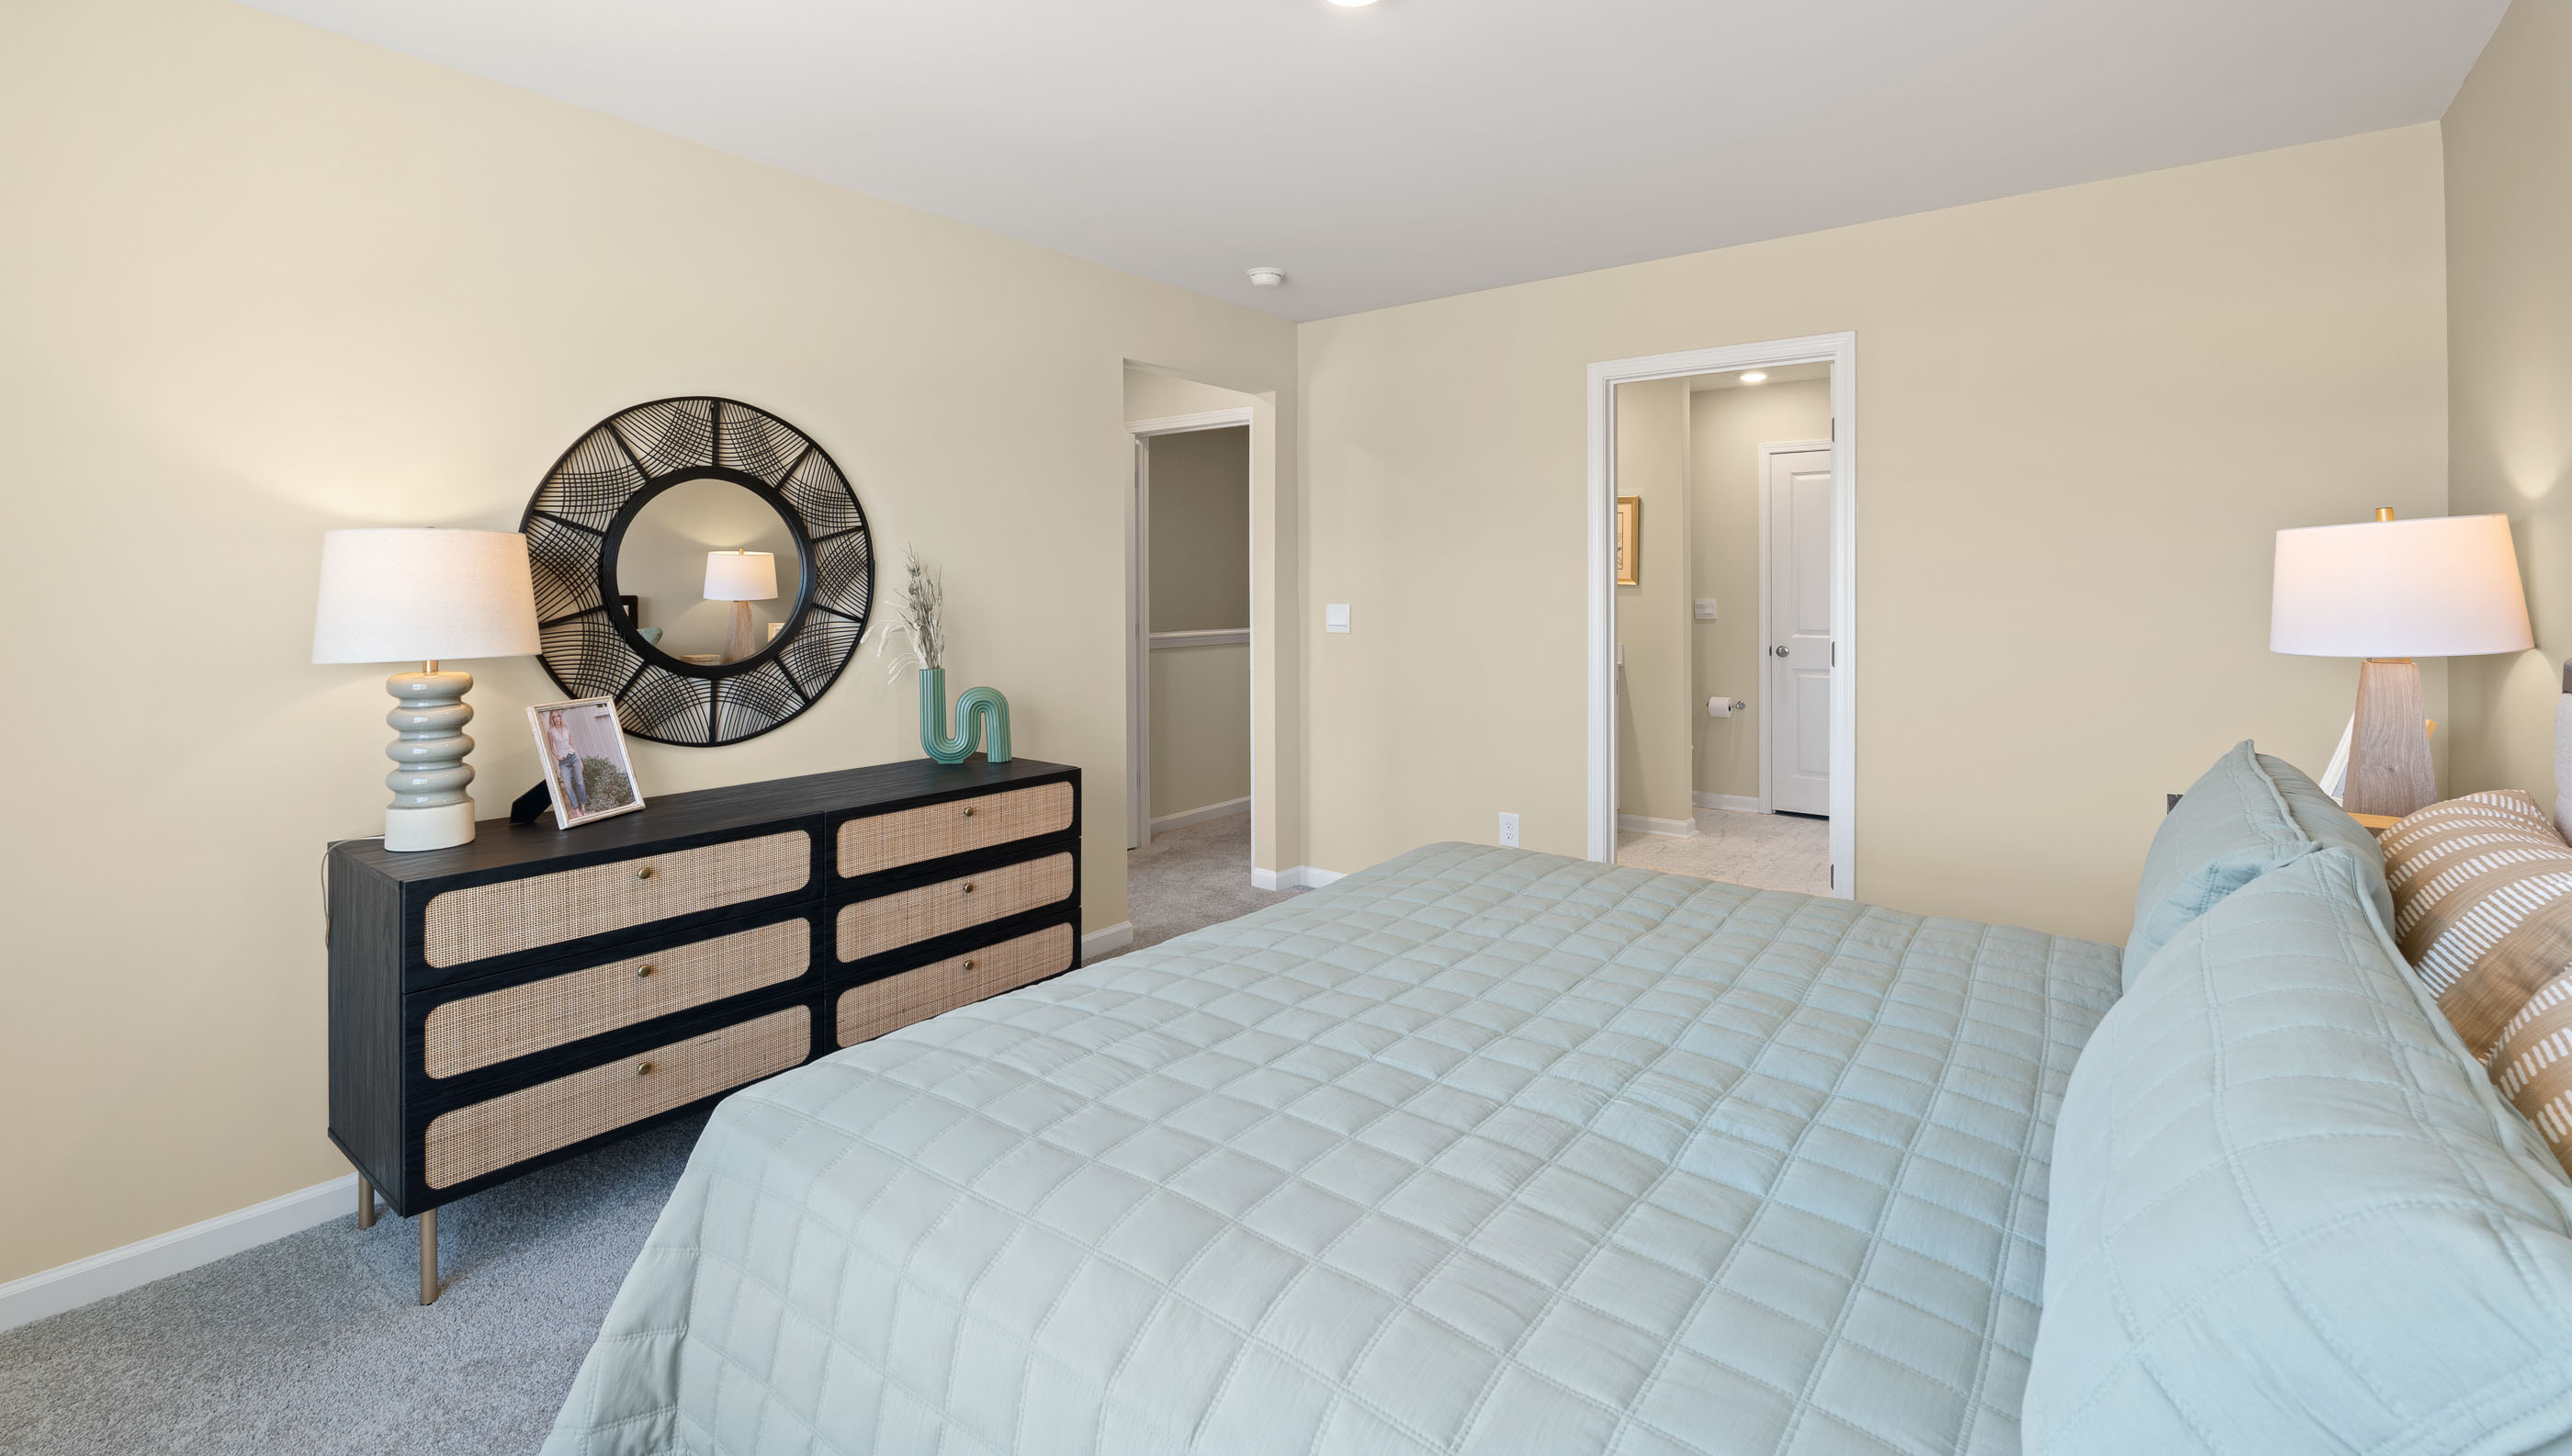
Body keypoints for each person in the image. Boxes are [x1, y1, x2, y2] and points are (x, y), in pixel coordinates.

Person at [546, 710, 588, 817]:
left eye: (558, 716)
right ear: (552, 719)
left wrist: (579, 760)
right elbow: (551, 747)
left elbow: (572, 745)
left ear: (560, 717)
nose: (556, 719)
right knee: (568, 786)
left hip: (573, 757)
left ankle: (583, 806)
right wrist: (557, 756)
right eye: (554, 717)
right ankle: (576, 808)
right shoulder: (551, 731)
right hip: (563, 761)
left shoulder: (566, 729)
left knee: (579, 782)